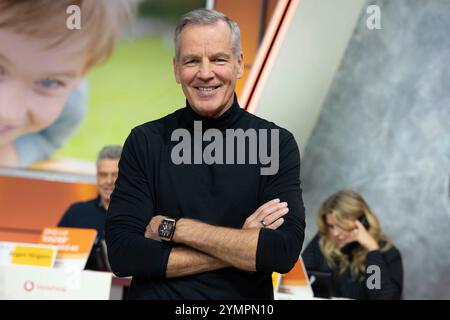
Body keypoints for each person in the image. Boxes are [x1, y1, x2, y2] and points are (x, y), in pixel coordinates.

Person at [105, 9, 306, 299]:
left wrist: (175, 228)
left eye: (218, 59)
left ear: (239, 64)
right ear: (176, 69)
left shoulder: (275, 144)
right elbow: (124, 255)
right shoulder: (145, 142)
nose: (205, 73)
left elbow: (281, 253)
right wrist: (241, 244)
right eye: (192, 61)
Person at [0, 0, 136, 167]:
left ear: (81, 74)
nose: (7, 112)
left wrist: (15, 152)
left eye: (49, 82)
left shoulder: (70, 108)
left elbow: (47, 140)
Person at [302, 190, 403, 299]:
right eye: (331, 226)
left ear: (363, 222)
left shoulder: (388, 253)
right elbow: (297, 281)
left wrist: (372, 251)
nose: (335, 233)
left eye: (341, 225)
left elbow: (380, 297)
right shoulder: (323, 242)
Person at [59, 145, 122, 271]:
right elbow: (55, 258)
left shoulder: (142, 215)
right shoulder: (76, 212)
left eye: (115, 175)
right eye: (103, 175)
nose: (109, 181)